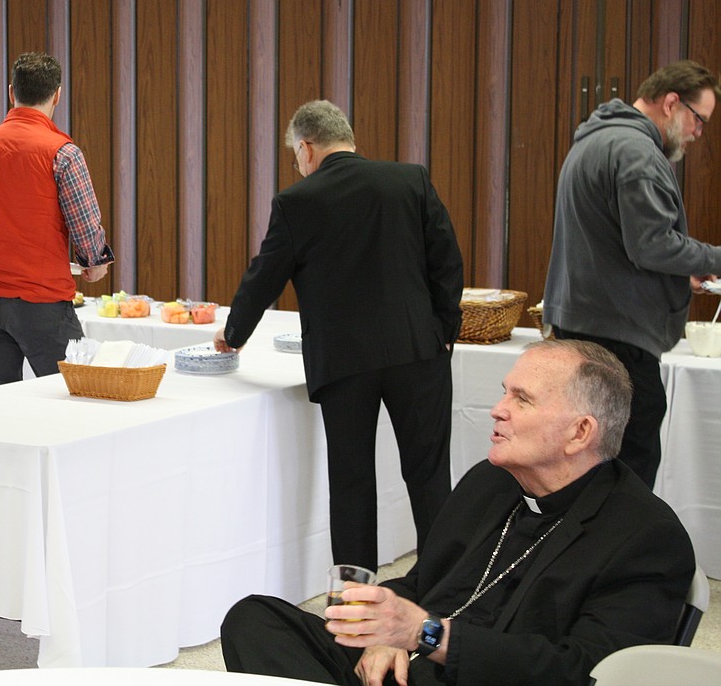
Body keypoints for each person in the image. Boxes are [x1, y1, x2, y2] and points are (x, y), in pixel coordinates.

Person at [221, 339, 695, 686]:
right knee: (255, 618)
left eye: (521, 399)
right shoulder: (489, 482)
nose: (497, 409)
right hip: (407, 666)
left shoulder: (645, 536)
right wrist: (384, 631)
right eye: (505, 392)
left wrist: (426, 634)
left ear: (580, 432)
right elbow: (422, 582)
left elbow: (583, 670)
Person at [215, 100, 464, 570]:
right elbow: (447, 261)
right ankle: (443, 592)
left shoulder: (297, 202)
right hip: (419, 352)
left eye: (295, 155)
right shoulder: (409, 180)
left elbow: (264, 276)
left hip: (346, 364)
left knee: (351, 484)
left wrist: (234, 333)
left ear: (307, 148)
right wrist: (444, 331)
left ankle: (355, 604)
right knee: (430, 476)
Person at [544, 60, 721, 490]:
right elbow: (652, 244)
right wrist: (713, 259)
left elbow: (617, 246)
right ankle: (619, 558)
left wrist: (681, 277)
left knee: (585, 465)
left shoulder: (596, 140)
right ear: (672, 102)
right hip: (619, 340)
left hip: (582, 326)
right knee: (630, 473)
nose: (699, 133)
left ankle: (586, 555)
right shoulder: (637, 152)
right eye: (699, 119)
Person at [0, 51, 114, 387]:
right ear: (57, 94)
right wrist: (94, 262)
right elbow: (84, 227)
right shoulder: (63, 152)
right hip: (42, 301)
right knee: (73, 396)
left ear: (12, 92)